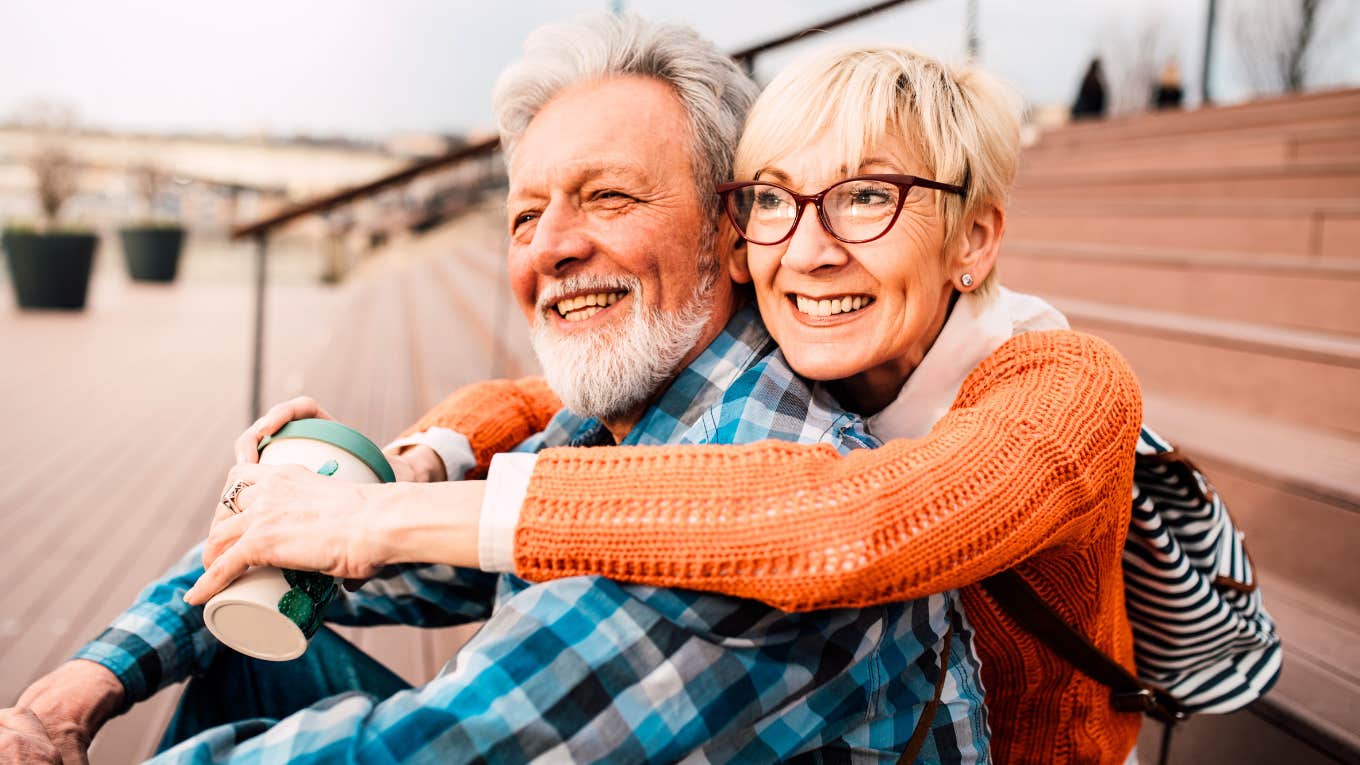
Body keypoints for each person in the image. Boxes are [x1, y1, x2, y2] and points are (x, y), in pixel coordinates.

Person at [2, 16, 988, 765]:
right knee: (248, 629)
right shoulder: (600, 428)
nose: (551, 247)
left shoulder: (757, 472)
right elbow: (302, 551)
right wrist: (69, 697)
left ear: (730, 233)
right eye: (524, 214)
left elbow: (444, 745)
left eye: (608, 197)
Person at [226, 44, 1154, 764]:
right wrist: (428, 450)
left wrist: (385, 514)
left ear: (975, 239)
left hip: (1033, 751)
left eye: (867, 196)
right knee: (242, 653)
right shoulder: (814, 338)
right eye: (773, 201)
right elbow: (544, 391)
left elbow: (859, 516)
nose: (810, 249)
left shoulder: (1065, 387)